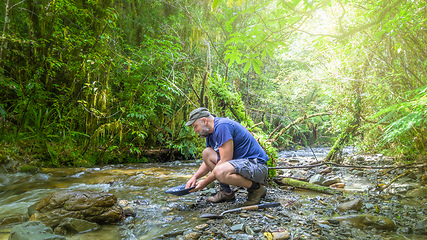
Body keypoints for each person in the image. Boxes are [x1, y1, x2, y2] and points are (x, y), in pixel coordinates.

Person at [185, 107, 269, 206]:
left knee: (220, 170)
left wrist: (205, 182)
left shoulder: (222, 126)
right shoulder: (210, 134)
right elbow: (207, 162)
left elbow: (225, 160)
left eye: (195, 126)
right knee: (206, 153)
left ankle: (256, 189)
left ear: (204, 121)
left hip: (257, 167)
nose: (195, 130)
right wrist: (195, 177)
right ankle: (226, 192)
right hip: (242, 166)